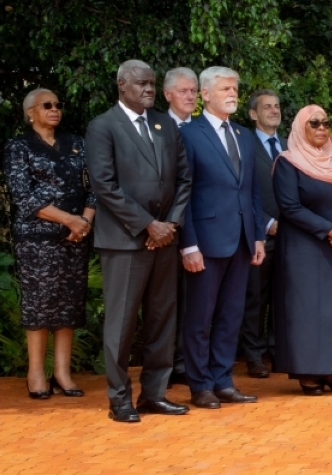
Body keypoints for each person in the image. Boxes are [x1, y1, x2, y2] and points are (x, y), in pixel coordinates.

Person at [86, 61, 193, 421]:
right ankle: (119, 400)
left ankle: (155, 394)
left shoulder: (164, 124)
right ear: (121, 86)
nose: (149, 89)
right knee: (122, 324)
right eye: (142, 83)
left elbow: (183, 179)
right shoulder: (103, 126)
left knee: (162, 319)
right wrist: (148, 225)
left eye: (152, 83)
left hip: (164, 239)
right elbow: (104, 185)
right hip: (125, 241)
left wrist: (169, 225)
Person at [179, 66, 267, 408]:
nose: (232, 93)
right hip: (205, 240)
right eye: (225, 88)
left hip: (242, 239)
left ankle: (223, 380)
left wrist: (258, 235)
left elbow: (253, 191)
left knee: (232, 315)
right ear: (205, 95)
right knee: (200, 317)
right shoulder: (189, 134)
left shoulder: (245, 135)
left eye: (235, 88)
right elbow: (182, 193)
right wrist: (188, 243)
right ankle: (200, 385)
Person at [272, 105, 332, 393]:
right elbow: (290, 207)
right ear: (300, 128)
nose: (321, 129)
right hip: (307, 249)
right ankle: (309, 372)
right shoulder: (288, 163)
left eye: (326, 123)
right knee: (310, 312)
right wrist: (331, 230)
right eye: (313, 123)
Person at [4, 88, 96, 401]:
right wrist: (69, 220)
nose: (54, 109)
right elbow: (23, 196)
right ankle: (35, 373)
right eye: (47, 105)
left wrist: (83, 222)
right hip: (36, 238)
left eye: (57, 105)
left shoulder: (76, 143)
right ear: (31, 112)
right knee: (40, 304)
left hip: (75, 237)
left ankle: (62, 372)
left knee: (69, 303)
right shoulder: (19, 146)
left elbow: (94, 187)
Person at [241, 89, 285, 379]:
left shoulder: (291, 144)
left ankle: (277, 349)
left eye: (277, 106)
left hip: (292, 235)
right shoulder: (244, 144)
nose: (273, 110)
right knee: (255, 297)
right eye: (267, 107)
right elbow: (242, 189)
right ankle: (253, 355)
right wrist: (267, 222)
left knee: (284, 296)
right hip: (260, 233)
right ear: (253, 114)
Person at [162, 66, 197, 385]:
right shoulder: (157, 128)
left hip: (198, 228)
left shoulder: (202, 129)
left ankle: (185, 362)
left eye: (194, 90)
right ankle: (162, 363)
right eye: (184, 91)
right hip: (163, 228)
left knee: (191, 302)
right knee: (163, 302)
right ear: (167, 94)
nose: (190, 96)